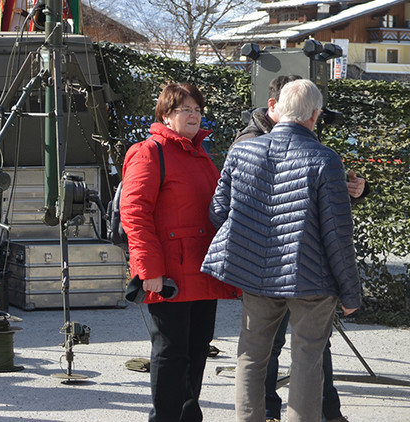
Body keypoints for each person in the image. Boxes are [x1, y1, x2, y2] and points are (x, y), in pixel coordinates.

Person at [202, 79, 361, 422]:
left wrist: (251, 238)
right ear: (315, 115)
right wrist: (350, 292)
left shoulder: (242, 151)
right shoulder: (325, 159)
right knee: (307, 358)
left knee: (250, 355)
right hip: (310, 278)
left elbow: (218, 211)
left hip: (256, 275)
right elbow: (337, 234)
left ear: (276, 108)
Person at [119, 81, 239, 422]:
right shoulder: (149, 152)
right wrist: (148, 270)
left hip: (202, 269)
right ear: (166, 114)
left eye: (197, 110)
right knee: (171, 353)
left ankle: (189, 416)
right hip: (169, 273)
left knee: (197, 350)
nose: (194, 116)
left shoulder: (200, 154)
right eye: (185, 109)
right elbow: (134, 213)